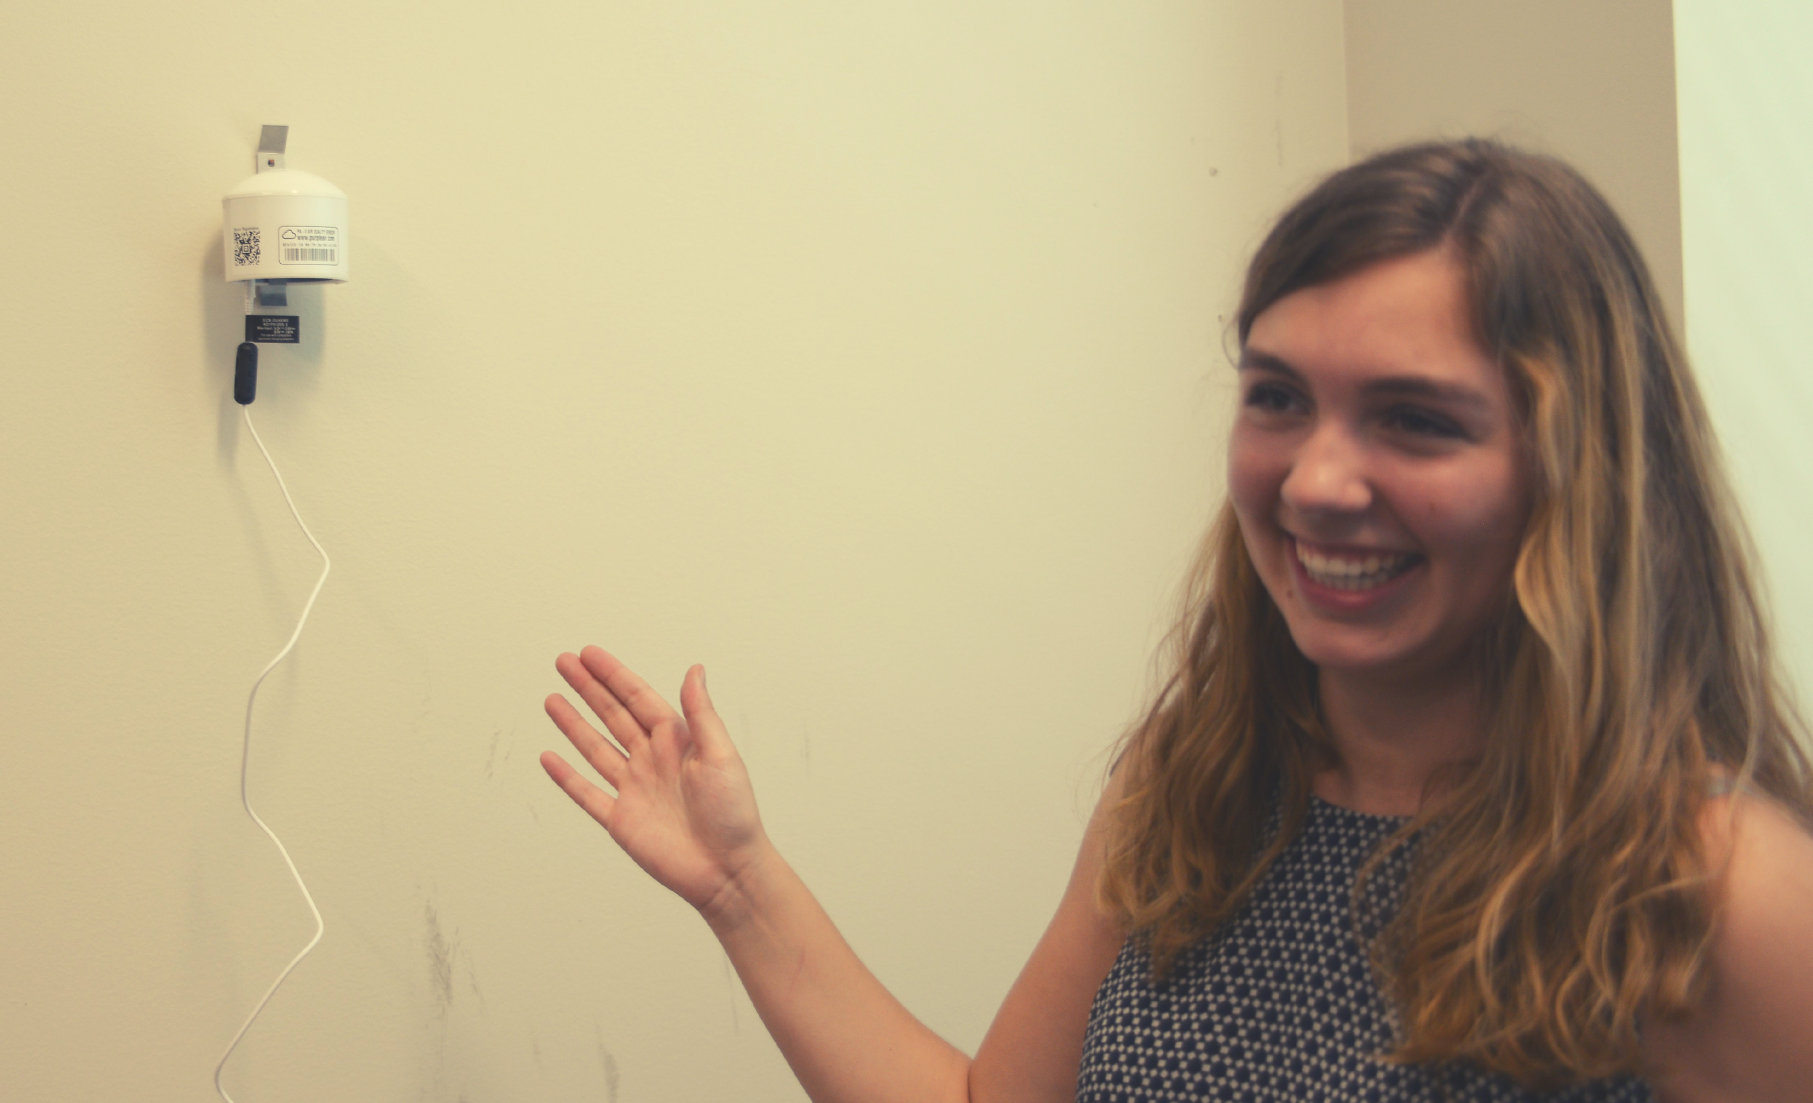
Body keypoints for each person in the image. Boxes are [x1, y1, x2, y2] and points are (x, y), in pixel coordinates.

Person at [539, 139, 1813, 1102]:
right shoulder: (1199, 780)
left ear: (1575, 464)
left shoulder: (1708, 882)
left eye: (1414, 418)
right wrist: (741, 885)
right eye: (1275, 396)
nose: (1314, 478)